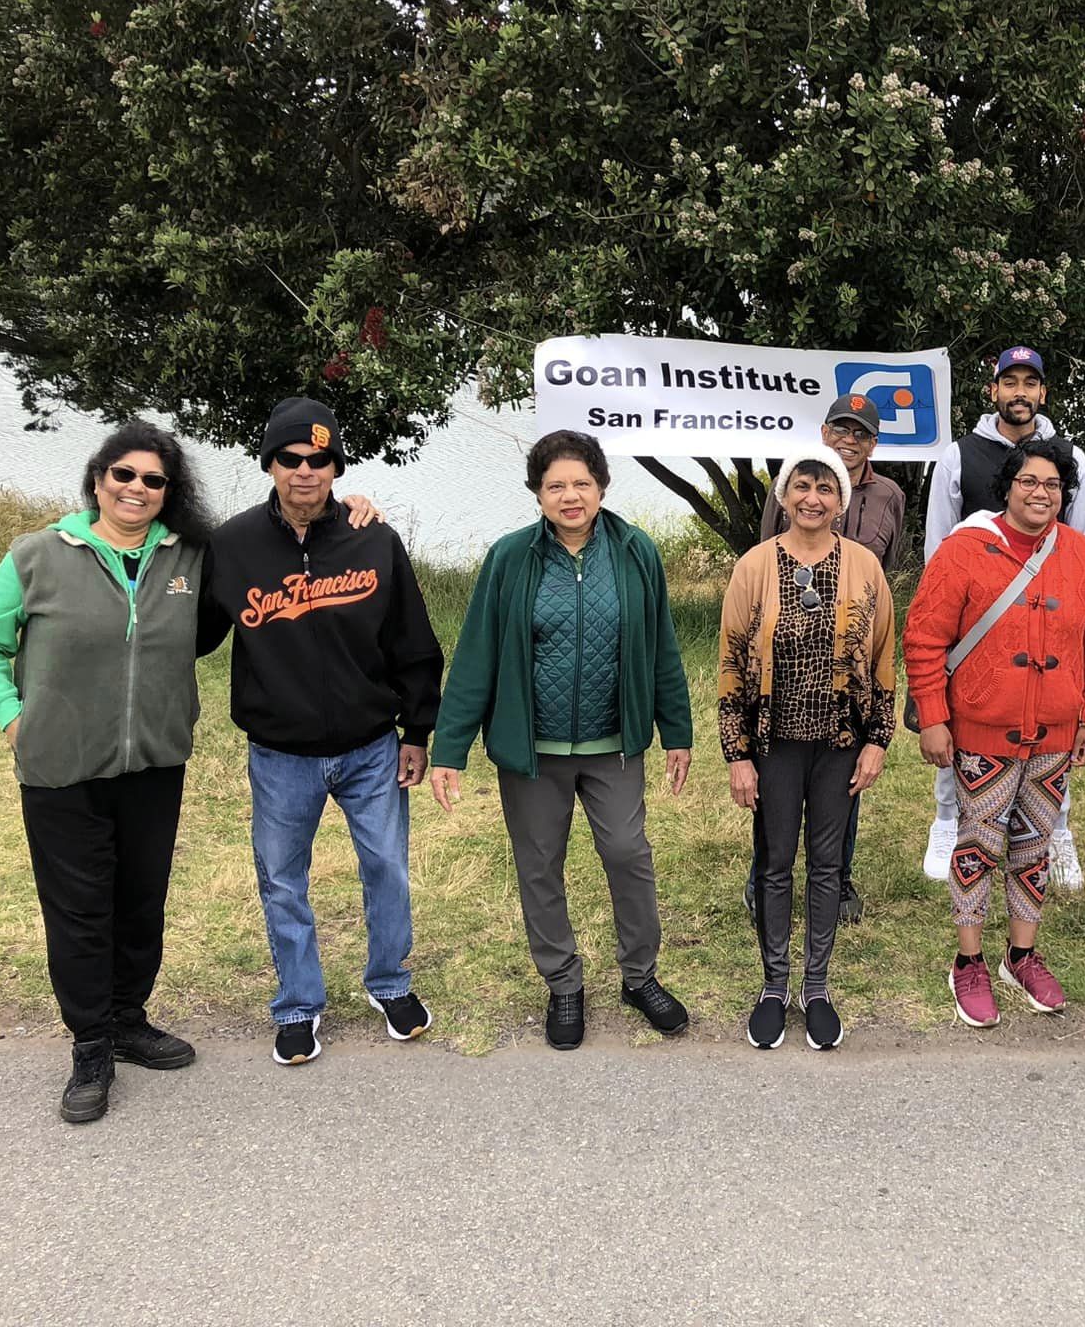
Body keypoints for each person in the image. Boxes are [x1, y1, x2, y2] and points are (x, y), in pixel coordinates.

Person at [0, 421, 213, 1123]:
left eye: (153, 480)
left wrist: (350, 507)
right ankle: (91, 1045)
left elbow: (271, 544)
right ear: (98, 479)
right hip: (61, 768)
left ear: (169, 492)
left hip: (154, 763)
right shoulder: (39, 553)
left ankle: (128, 1019)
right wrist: (15, 719)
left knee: (141, 903)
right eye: (123, 474)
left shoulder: (190, 556)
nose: (137, 488)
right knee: (79, 912)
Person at [429, 429, 694, 1051]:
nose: (570, 496)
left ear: (601, 487)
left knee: (628, 854)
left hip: (614, 745)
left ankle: (640, 977)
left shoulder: (636, 551)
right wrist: (449, 749)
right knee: (539, 865)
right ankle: (563, 984)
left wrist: (676, 732)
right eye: (556, 486)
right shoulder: (509, 557)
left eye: (582, 483)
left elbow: (661, 646)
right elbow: (476, 655)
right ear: (537, 493)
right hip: (533, 751)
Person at [199, 397, 444, 1066]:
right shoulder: (233, 544)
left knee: (387, 869)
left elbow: (412, 641)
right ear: (270, 465)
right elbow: (193, 633)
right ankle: (298, 1005)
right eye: (290, 459)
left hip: (371, 747)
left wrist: (418, 730)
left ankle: (390, 984)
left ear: (336, 467)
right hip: (281, 753)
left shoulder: (374, 538)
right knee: (283, 881)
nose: (305, 471)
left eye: (320, 459)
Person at [903, 439, 1085, 1027]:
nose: (1041, 493)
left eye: (1053, 484)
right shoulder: (965, 549)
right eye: (1030, 481)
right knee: (977, 844)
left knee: (1033, 848)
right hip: (982, 732)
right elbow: (924, 638)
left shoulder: (1080, 554)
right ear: (1008, 487)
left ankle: (1020, 955)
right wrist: (933, 717)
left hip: (1054, 735)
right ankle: (968, 960)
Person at [720, 448, 896, 1050]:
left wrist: (877, 741)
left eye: (826, 487)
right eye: (802, 486)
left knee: (826, 866)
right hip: (773, 745)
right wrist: (737, 753)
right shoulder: (754, 566)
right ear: (784, 495)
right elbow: (731, 664)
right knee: (773, 865)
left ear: (841, 499)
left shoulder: (865, 567)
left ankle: (815, 987)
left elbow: (883, 660)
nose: (813, 498)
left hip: (841, 742)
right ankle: (774, 987)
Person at [920, 345, 1085, 892]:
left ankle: (1057, 831)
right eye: (1010, 382)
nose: (1019, 392)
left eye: (1029, 383)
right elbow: (938, 541)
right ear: (993, 390)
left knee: (1052, 730)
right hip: (977, 620)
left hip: (1048, 617)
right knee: (963, 722)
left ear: (1043, 393)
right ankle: (948, 824)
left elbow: (1082, 543)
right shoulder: (959, 455)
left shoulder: (1072, 459)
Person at [748, 393, 907, 925]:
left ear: (873, 443)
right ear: (823, 432)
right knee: (776, 784)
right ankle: (764, 876)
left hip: (851, 667)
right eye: (841, 429)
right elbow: (768, 558)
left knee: (845, 780)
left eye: (860, 433)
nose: (849, 440)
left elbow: (888, 568)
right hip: (789, 662)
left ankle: (837, 880)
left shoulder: (889, 495)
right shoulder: (794, 484)